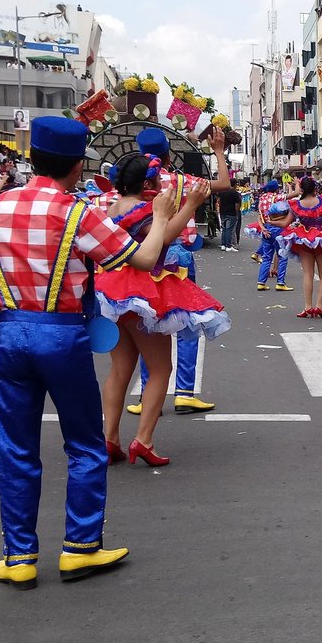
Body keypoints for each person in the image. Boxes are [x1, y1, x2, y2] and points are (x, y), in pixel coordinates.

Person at [0, 117, 176, 588]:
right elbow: (143, 260)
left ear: (33, 158)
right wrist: (161, 215)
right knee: (84, 444)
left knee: (15, 447)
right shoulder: (78, 213)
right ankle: (80, 548)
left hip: (10, 333)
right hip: (62, 335)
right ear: (78, 163)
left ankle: (19, 557)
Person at [95, 154, 229, 465]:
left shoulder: (111, 207)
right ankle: (143, 440)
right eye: (156, 180)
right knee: (160, 369)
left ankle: (109, 438)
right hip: (143, 291)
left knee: (120, 369)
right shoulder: (144, 209)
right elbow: (165, 238)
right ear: (146, 183)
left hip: (112, 291)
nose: (160, 185)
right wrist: (191, 205)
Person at [122, 126, 232, 417]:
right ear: (168, 155)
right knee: (186, 323)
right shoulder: (183, 181)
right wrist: (218, 151)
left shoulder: (132, 184)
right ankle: (184, 393)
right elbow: (223, 183)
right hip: (178, 257)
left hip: (143, 258)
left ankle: (149, 397)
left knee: (147, 324)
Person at [279, 176, 322, 318]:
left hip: (304, 239)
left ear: (302, 189)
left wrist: (269, 222)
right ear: (315, 188)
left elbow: (285, 223)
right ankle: (319, 306)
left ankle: (307, 306)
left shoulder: (297, 205)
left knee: (307, 274)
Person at [217, 186, 241, 251]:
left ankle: (223, 244)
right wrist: (237, 212)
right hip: (231, 213)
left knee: (224, 229)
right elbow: (237, 204)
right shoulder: (234, 193)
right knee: (229, 229)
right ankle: (228, 245)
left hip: (223, 212)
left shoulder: (221, 192)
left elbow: (218, 201)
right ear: (235, 185)